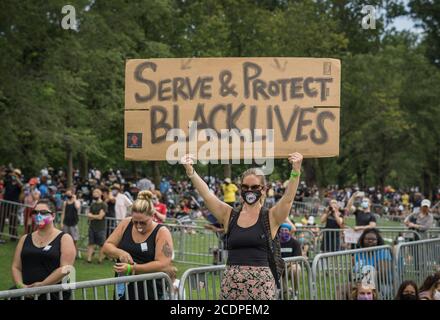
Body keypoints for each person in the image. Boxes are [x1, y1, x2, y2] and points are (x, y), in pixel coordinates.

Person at [181, 152, 303, 300]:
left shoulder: (271, 217)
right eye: (245, 187)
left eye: (254, 187)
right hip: (231, 284)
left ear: (263, 189)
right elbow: (207, 195)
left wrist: (296, 170)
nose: (249, 191)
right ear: (240, 189)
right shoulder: (229, 215)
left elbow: (288, 198)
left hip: (260, 287)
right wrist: (190, 171)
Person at [102, 190, 176, 300]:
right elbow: (107, 246)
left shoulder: (162, 232)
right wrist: (120, 252)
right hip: (123, 289)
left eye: (143, 222)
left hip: (150, 291)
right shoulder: (126, 223)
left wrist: (132, 268)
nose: (138, 226)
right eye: (135, 221)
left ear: (152, 216)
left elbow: (163, 264)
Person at [11, 199, 76, 299]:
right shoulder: (24, 239)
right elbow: (16, 267)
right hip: (25, 294)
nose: (38, 215)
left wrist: (43, 285)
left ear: (53, 215)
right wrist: (21, 287)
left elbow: (66, 268)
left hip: (53, 294)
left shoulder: (64, 238)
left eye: (44, 212)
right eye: (35, 212)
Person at [279, 223, 302, 300]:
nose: (284, 232)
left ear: (289, 232)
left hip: (290, 267)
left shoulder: (295, 243)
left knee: (296, 269)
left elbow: (297, 259)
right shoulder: (276, 243)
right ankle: (283, 292)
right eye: (282, 230)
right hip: (279, 269)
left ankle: (295, 291)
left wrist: (285, 265)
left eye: (286, 230)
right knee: (285, 296)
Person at [86, 188, 107, 264]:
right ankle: (89, 259)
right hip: (92, 227)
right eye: (94, 192)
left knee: (101, 244)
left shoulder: (103, 205)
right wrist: (95, 216)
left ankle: (100, 260)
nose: (95, 194)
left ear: (100, 194)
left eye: (97, 192)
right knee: (90, 243)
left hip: (101, 228)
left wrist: (92, 216)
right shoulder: (92, 204)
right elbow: (88, 216)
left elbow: (100, 217)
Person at [60, 189, 81, 258]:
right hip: (66, 223)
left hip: (74, 223)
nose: (68, 195)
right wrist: (61, 222)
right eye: (67, 194)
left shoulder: (77, 201)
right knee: (65, 239)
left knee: (74, 240)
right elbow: (63, 213)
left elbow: (77, 207)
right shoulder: (65, 202)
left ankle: (76, 254)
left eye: (69, 194)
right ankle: (65, 253)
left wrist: (74, 199)